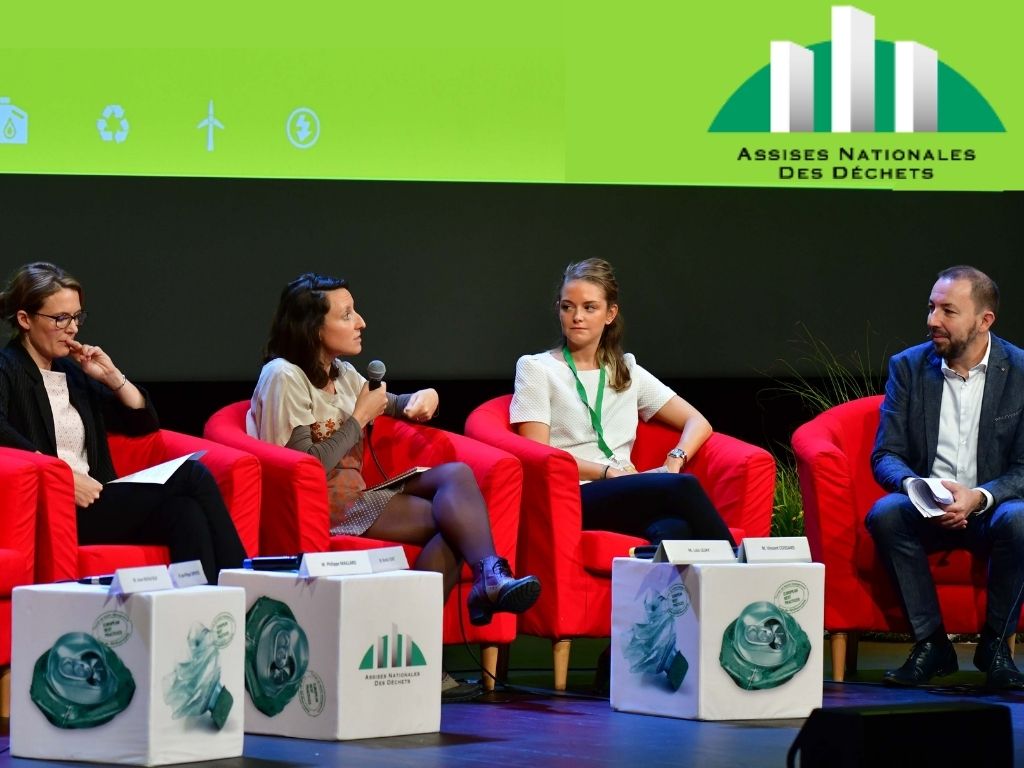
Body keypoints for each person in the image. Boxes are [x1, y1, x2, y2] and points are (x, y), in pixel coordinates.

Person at [247, 272, 540, 631]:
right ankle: (422, 642)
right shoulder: (284, 376)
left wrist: (422, 398)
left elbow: (395, 403)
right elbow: (306, 468)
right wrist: (358, 418)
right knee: (454, 525)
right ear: (314, 329)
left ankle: (488, 578)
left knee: (457, 475)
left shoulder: (341, 372)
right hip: (318, 507)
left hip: (353, 496)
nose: (361, 322)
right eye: (346, 315)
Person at [0, 262, 246, 583]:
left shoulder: (73, 372)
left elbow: (141, 423)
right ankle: (246, 586)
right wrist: (60, 477)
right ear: (25, 319)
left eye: (76, 317)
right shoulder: (8, 370)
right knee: (192, 474)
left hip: (97, 498)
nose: (73, 328)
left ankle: (203, 615)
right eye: (61, 318)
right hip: (56, 509)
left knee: (185, 514)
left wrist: (112, 377)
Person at [866, 265, 1024, 689]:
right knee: (886, 513)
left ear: (984, 320)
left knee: (1020, 519)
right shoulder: (909, 367)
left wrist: (978, 497)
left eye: (948, 311)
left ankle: (995, 647)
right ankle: (932, 644)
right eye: (931, 307)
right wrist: (922, 492)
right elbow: (886, 454)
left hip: (991, 509)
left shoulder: (1021, 373)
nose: (933, 320)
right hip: (927, 507)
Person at [510, 258, 735, 547]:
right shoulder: (536, 368)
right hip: (573, 493)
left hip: (624, 489)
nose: (577, 316)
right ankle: (743, 574)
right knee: (683, 486)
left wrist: (675, 458)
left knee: (673, 528)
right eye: (568, 307)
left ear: (610, 314)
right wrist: (607, 472)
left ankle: (667, 593)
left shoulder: (624, 370)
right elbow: (538, 455)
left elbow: (698, 422)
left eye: (589, 307)